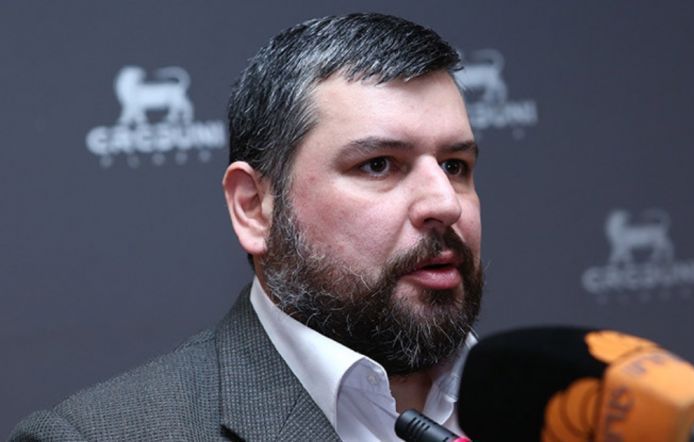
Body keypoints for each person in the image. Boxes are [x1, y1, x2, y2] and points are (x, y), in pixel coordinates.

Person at [11, 12, 483, 441]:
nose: (445, 203)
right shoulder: (94, 436)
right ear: (254, 207)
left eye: (455, 165)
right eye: (378, 165)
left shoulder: (527, 403)